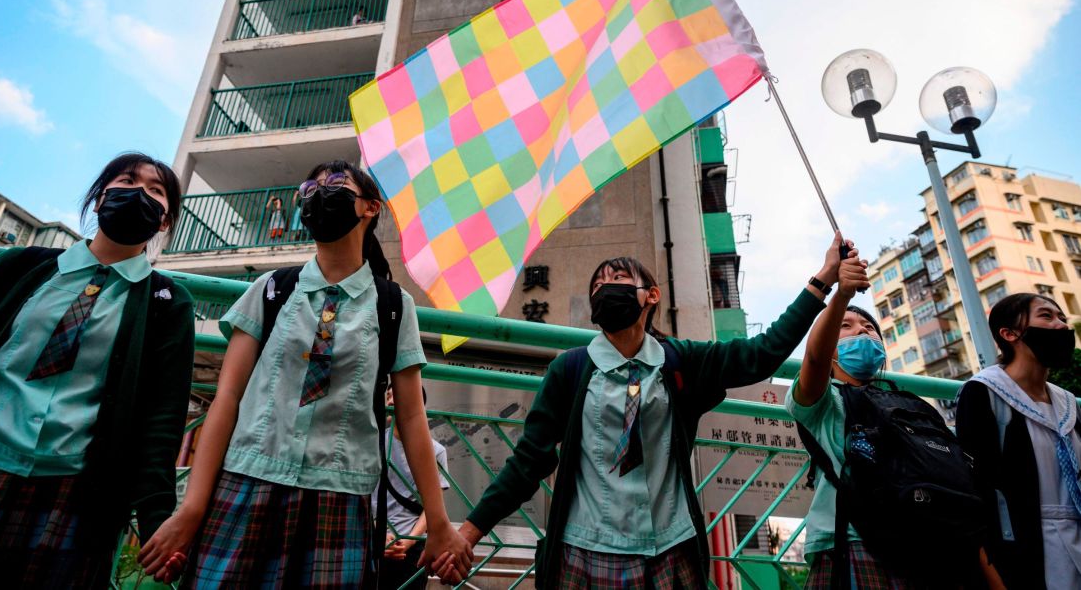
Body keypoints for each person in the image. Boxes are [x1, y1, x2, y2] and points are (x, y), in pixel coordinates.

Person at [444, 234, 848, 588]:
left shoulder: (683, 361)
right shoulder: (569, 369)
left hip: (671, 549)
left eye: (617, 280)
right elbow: (529, 462)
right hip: (585, 551)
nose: (605, 288)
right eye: (597, 285)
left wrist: (824, 280)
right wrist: (471, 532)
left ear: (651, 295)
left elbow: (763, 353)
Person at [140, 160, 472, 587]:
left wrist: (440, 524)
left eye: (336, 183)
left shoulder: (394, 305)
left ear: (370, 208)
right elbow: (227, 400)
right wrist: (190, 509)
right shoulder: (272, 289)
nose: (319, 191)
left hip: (341, 496)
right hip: (245, 484)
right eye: (310, 187)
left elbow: (411, 418)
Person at [0, 152, 194, 587]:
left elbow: (162, 419)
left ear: (165, 221)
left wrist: (155, 516)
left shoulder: (168, 303)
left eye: (155, 190)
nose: (138, 193)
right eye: (127, 181)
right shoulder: (20, 267)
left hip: (74, 490)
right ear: (99, 199)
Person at [786, 248, 895, 585]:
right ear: (830, 343)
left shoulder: (899, 402)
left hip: (913, 542)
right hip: (848, 542)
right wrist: (841, 294)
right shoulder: (823, 400)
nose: (862, 331)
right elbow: (815, 360)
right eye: (845, 327)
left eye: (868, 327)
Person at [957, 293, 1081, 590]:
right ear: (1009, 333)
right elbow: (976, 490)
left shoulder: (1068, 403)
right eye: (1046, 316)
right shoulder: (983, 393)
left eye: (1061, 317)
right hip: (1026, 551)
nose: (1061, 326)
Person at [376, 385, 450, 589]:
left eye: (396, 396)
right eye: (388, 396)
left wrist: (409, 541)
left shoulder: (436, 450)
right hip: (374, 539)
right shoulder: (374, 442)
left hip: (413, 543)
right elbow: (362, 493)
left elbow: (432, 506)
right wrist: (378, 533)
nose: (390, 401)